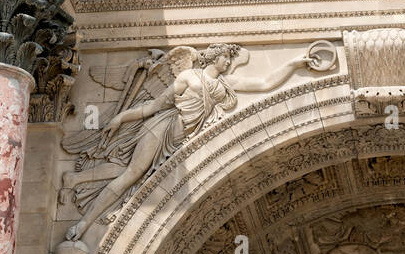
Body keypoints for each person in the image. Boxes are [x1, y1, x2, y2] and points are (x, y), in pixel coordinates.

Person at [65, 43, 320, 241]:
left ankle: (76, 183)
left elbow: (264, 84)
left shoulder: (225, 84)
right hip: (162, 127)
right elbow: (153, 107)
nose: (228, 62)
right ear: (213, 56)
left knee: (128, 173)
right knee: (131, 173)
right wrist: (121, 117)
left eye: (230, 59)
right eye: (225, 57)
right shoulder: (188, 76)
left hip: (177, 138)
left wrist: (294, 64)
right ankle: (84, 223)